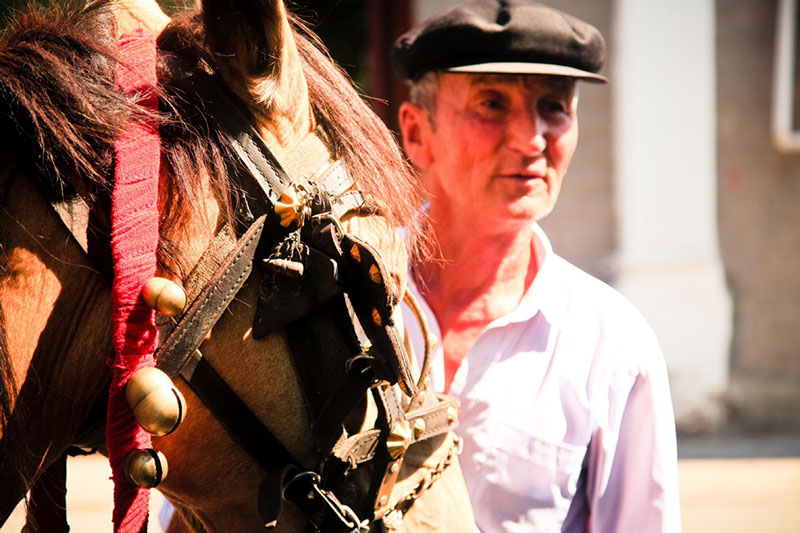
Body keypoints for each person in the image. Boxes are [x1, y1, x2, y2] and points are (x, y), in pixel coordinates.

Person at [392, 1, 681, 531]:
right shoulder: (344, 302)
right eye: (492, 104)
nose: (531, 139)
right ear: (416, 132)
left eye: (553, 107)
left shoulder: (611, 345)